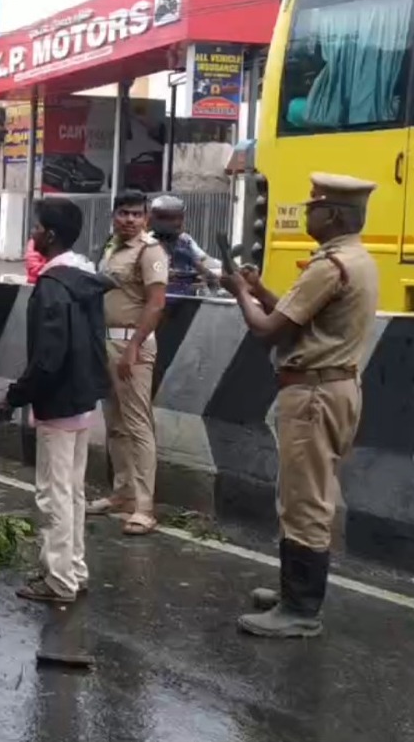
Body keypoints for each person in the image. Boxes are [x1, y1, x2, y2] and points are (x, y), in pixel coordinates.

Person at [221, 173, 378, 638]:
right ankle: (294, 592)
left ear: (332, 214)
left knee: (304, 501)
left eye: (314, 206)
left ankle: (300, 610)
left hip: (313, 393)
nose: (307, 211)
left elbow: (268, 330)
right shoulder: (354, 259)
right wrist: (260, 287)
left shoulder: (330, 266)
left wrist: (240, 293)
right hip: (334, 388)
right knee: (306, 494)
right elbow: (296, 318)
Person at [0, 199, 110, 604]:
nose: (33, 235)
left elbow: (47, 358)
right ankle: (74, 569)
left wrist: (14, 397)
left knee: (53, 493)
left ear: (52, 235)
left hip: (59, 402)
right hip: (83, 398)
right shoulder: (85, 278)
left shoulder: (52, 286)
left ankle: (59, 580)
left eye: (38, 228)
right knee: (72, 490)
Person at [88, 189, 167, 536]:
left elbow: (156, 303)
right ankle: (123, 494)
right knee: (116, 425)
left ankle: (145, 507)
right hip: (106, 343)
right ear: (114, 215)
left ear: (146, 218)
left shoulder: (150, 252)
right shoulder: (110, 248)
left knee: (138, 426)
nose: (130, 220)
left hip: (132, 346)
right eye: (124, 213)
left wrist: (134, 346)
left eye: (136, 214)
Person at [147, 195, 220, 297]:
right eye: (171, 218)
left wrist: (214, 274)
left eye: (180, 218)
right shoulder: (147, 243)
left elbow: (202, 261)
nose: (178, 223)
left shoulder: (184, 240)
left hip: (185, 298)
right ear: (154, 219)